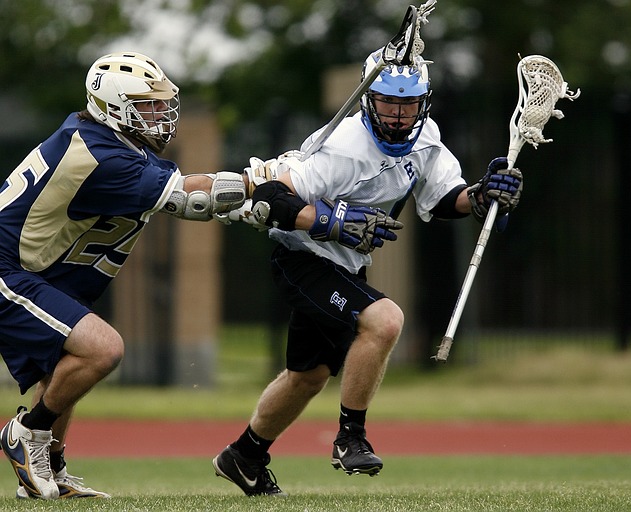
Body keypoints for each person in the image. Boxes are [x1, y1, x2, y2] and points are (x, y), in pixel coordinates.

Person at [211, 47, 523, 496]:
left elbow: (443, 197)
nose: (398, 116)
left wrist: (479, 195)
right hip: (302, 258)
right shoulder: (341, 148)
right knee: (385, 319)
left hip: (346, 268)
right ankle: (349, 437)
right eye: (388, 103)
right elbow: (272, 196)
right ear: (367, 100)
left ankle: (244, 456)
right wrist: (332, 220)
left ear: (423, 103)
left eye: (408, 104)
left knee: (308, 376)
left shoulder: (427, 139)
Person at [0, 51, 250, 500]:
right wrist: (263, 182)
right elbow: (192, 199)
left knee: (61, 365)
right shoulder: (99, 154)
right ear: (114, 103)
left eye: (159, 103)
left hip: (23, 269)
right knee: (103, 349)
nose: (159, 113)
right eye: (147, 103)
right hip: (4, 270)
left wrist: (261, 203)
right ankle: (26, 431)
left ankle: (48, 472)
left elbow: (192, 187)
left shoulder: (115, 144)